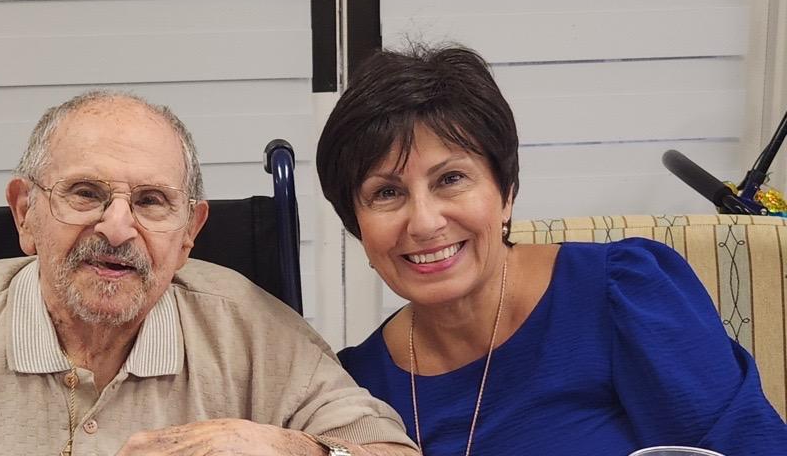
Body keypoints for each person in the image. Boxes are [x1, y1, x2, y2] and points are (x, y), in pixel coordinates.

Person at [0, 91, 419, 456]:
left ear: (189, 233)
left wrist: (294, 453)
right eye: (85, 193)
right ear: (26, 213)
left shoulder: (253, 333)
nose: (117, 227)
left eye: (152, 202)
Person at [315, 45, 787, 455]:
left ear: (507, 192)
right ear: (357, 225)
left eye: (451, 179)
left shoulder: (624, 295)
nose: (424, 221)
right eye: (386, 193)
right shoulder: (352, 388)